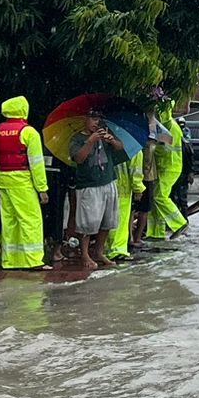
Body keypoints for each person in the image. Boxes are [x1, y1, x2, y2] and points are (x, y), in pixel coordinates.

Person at [0, 95, 51, 270]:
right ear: (24, 110)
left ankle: (10, 261)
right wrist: (42, 188)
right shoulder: (29, 132)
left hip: (4, 182)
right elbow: (36, 163)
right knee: (31, 220)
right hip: (22, 181)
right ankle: (33, 261)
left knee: (9, 222)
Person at [68, 109, 126, 274]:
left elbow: (120, 147)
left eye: (98, 119)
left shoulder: (105, 133)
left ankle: (99, 252)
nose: (96, 122)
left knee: (107, 221)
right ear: (85, 119)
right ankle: (85, 254)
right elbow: (78, 158)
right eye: (93, 119)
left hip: (108, 182)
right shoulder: (77, 138)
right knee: (88, 223)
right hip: (89, 185)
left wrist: (111, 140)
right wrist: (90, 141)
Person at [146, 105, 187, 241]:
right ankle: (156, 232)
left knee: (159, 197)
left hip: (169, 167)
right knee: (155, 199)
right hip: (164, 167)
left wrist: (150, 147)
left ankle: (180, 223)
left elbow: (163, 149)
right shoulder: (166, 126)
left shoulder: (169, 127)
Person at [105, 145, 145, 262]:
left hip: (109, 185)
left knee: (109, 220)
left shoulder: (109, 144)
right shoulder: (133, 147)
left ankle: (108, 248)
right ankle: (118, 250)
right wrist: (138, 189)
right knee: (121, 221)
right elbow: (135, 170)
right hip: (123, 189)